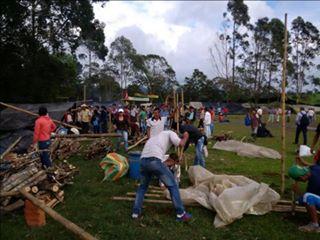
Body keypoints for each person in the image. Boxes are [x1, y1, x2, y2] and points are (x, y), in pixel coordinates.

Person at [131, 130, 192, 222]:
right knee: (173, 185)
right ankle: (181, 214)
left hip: (143, 161)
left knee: (142, 187)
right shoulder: (171, 133)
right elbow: (181, 144)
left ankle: (135, 213)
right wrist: (186, 136)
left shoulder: (156, 137)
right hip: (154, 160)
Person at [289, 157, 320, 232]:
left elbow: (306, 198)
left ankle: (314, 225)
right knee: (303, 198)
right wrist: (302, 161)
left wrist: (297, 191)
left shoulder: (315, 183)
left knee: (307, 197)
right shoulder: (315, 168)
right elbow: (310, 165)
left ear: (302, 177)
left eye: (299, 180)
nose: (301, 181)